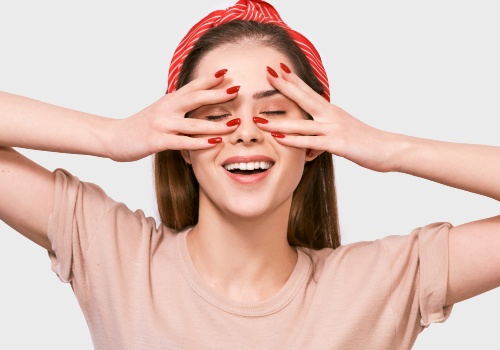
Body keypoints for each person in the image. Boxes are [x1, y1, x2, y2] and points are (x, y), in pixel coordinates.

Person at [1, 0, 499, 349]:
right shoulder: (116, 255)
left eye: (275, 112)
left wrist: (389, 149)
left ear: (314, 142)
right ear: (181, 145)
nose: (243, 132)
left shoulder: (384, 283)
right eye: (216, 115)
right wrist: (110, 137)